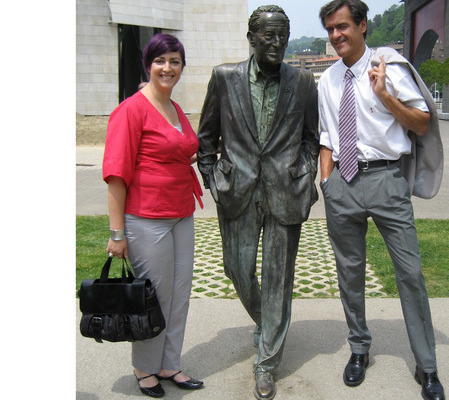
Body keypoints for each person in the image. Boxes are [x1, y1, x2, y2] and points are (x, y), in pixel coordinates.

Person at [317, 1, 445, 400]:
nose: (337, 35)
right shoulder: (327, 80)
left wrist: (384, 94)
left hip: (387, 179)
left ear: (362, 26)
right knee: (349, 274)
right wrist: (327, 184)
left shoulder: (389, 65)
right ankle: (359, 349)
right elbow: (326, 136)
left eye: (342, 27)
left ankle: (427, 366)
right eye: (330, 30)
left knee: (410, 273)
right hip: (343, 183)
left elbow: (421, 122)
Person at [197, 5, 319, 400]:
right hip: (238, 192)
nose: (277, 43)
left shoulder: (302, 81)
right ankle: (269, 325)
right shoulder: (224, 77)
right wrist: (213, 177)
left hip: (285, 191)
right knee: (236, 270)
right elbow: (206, 136)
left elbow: (310, 139)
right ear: (251, 38)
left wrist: (303, 171)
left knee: (278, 282)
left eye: (283, 35)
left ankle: (266, 363)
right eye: (269, 35)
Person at [103, 33, 204, 398]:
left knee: (179, 294)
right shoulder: (131, 109)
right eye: (160, 61)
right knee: (154, 297)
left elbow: (179, 152)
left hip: (182, 213)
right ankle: (144, 368)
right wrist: (117, 234)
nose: (168, 68)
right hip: (147, 219)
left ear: (181, 68)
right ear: (148, 65)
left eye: (175, 61)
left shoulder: (175, 110)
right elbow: (116, 174)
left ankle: (170, 363)